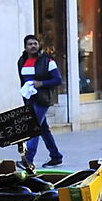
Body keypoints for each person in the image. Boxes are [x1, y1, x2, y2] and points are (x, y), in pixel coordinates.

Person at [14, 34, 65, 170]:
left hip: (43, 99)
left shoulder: (48, 61)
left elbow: (57, 79)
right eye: (30, 44)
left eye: (35, 43)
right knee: (43, 129)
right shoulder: (21, 61)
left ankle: (28, 159)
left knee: (33, 127)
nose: (33, 46)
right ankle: (56, 156)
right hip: (29, 100)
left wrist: (41, 83)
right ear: (25, 47)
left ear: (39, 45)